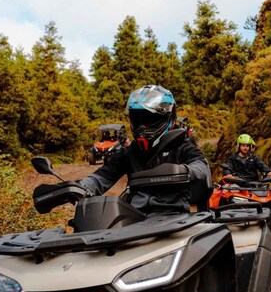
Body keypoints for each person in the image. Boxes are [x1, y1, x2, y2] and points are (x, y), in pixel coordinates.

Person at [77, 85, 211, 214]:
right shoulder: (130, 152)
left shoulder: (182, 146)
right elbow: (102, 177)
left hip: (173, 217)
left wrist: (183, 171)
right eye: (138, 119)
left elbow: (201, 168)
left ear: (169, 119)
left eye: (149, 119)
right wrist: (79, 187)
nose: (142, 127)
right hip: (134, 219)